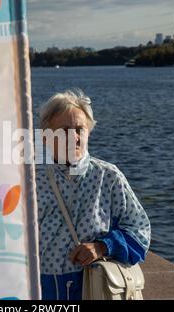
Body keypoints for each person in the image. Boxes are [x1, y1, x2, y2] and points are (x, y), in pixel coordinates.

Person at [36, 89, 151, 300]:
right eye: (64, 130)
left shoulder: (108, 177)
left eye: (80, 129)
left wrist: (102, 247)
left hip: (92, 287)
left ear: (89, 131)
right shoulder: (31, 179)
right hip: (43, 290)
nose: (74, 137)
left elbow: (140, 231)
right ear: (45, 136)